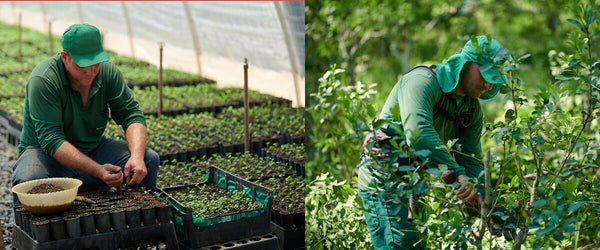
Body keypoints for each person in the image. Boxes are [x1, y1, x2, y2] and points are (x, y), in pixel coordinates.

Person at [357, 35, 509, 249]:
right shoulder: (422, 82)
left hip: (414, 180)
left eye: (494, 78)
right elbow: (419, 135)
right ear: (466, 63)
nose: (487, 84)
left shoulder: (471, 110)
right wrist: (457, 175)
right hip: (384, 177)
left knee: (417, 245)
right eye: (484, 73)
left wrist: (493, 206)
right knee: (401, 244)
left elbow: (471, 161)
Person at [12, 23, 159, 205]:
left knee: (148, 159)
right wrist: (98, 170)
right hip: (46, 155)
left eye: (95, 63)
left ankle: (135, 222)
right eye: (83, 65)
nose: (91, 71)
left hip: (92, 150)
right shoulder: (43, 79)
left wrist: (136, 157)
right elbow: (51, 140)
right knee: (29, 179)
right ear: (65, 57)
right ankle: (33, 233)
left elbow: (132, 115)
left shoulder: (107, 73)